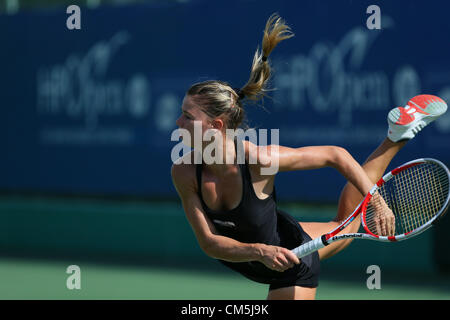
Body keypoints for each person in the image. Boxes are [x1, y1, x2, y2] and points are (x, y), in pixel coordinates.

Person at [170, 14, 447, 300]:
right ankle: (396, 136)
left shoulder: (260, 161)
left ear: (215, 126)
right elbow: (210, 243)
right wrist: (260, 251)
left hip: (292, 265)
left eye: (188, 117)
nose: (178, 122)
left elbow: (335, 155)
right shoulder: (184, 172)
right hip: (273, 244)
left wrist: (377, 202)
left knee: (349, 223)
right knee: (347, 222)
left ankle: (396, 137)